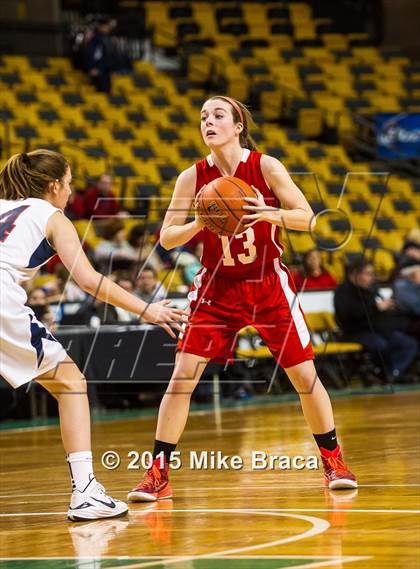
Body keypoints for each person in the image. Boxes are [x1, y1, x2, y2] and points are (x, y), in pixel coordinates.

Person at [127, 95, 357, 502]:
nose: (208, 122)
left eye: (218, 115)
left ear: (237, 126)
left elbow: (307, 218)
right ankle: (158, 475)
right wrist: (201, 219)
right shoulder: (191, 177)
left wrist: (266, 212)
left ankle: (333, 460)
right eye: (202, 117)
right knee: (182, 378)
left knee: (304, 377)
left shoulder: (266, 166)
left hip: (267, 283)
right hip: (217, 288)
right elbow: (165, 238)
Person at [0, 149, 186, 521]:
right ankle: (85, 492)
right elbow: (88, 280)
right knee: (71, 383)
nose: (70, 193)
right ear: (54, 186)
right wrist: (148, 309)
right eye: (68, 185)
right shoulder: (51, 216)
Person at [334, 259, 418, 382]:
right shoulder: (342, 291)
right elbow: (349, 314)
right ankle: (384, 374)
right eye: (368, 273)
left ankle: (393, 373)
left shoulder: (371, 289)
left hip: (378, 330)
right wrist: (376, 307)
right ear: (355, 274)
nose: (372, 277)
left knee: (408, 344)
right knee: (380, 345)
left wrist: (388, 307)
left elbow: (378, 310)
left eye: (373, 273)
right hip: (355, 332)